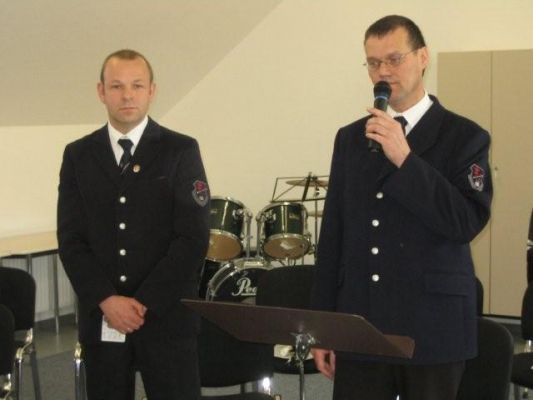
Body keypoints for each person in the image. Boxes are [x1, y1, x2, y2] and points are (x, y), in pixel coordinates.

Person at [310, 15, 492, 400]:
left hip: (432, 325)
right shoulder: (350, 138)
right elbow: (333, 235)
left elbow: (465, 222)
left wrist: (405, 160)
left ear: (423, 57)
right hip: (361, 324)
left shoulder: (465, 136)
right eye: (373, 63)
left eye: (394, 59)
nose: (383, 72)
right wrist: (324, 327)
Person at [57, 49, 210, 400]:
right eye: (117, 86)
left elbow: (192, 238)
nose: (127, 95)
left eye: (137, 85)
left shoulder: (180, 150)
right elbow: (71, 239)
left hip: (167, 316)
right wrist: (107, 300)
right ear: (101, 91)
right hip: (104, 318)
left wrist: (143, 302)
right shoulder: (78, 155)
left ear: (152, 91)